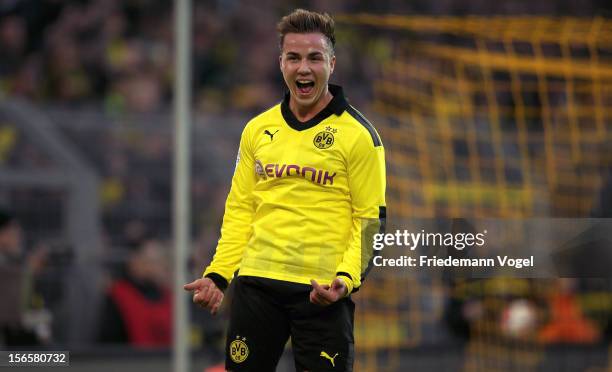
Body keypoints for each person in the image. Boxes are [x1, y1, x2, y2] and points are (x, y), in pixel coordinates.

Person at [184, 9, 386, 371]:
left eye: (314, 58)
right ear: (281, 63)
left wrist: (345, 281)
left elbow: (370, 220)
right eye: (294, 57)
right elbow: (241, 209)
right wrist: (218, 274)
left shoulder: (360, 136)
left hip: (321, 291)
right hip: (257, 286)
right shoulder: (257, 130)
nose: (303, 68)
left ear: (332, 64)